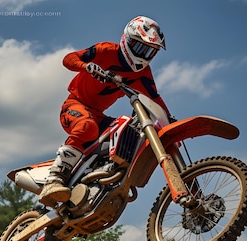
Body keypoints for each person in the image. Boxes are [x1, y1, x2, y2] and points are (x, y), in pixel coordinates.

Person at [39, 15, 172, 207]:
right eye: (140, 48)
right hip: (74, 106)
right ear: (127, 40)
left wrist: (168, 120)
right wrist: (86, 66)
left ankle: (100, 181)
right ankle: (54, 180)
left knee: (129, 131)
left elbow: (155, 98)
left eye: (150, 51)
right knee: (87, 127)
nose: (143, 55)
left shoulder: (142, 73)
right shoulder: (105, 51)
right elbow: (69, 58)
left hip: (98, 116)